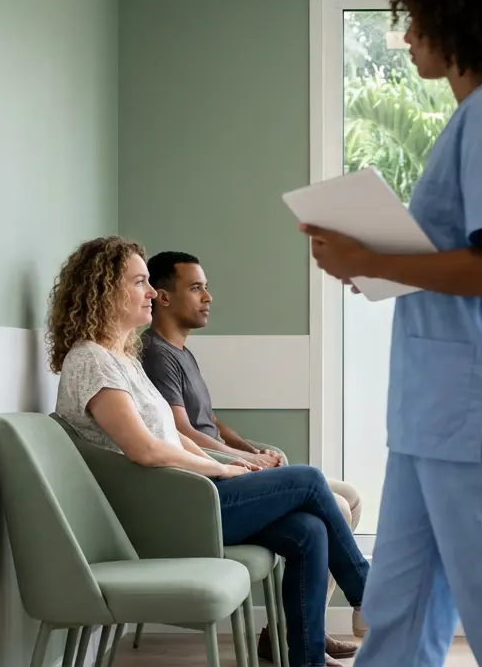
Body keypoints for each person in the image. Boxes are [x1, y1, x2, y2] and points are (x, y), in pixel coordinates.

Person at [299, 0, 482, 664]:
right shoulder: (473, 118)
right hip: (434, 416)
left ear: (461, 21)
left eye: (418, 18)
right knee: (399, 614)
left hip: (476, 412)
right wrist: (373, 262)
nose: (409, 33)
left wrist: (370, 259)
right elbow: (459, 261)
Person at [47, 236, 372, 667]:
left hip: (184, 498)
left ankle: (306, 660)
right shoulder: (91, 360)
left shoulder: (121, 358)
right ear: (105, 289)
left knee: (309, 531)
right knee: (310, 479)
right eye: (139, 282)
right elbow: (144, 450)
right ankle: (370, 597)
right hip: (165, 512)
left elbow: (174, 436)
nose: (150, 293)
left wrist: (229, 462)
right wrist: (219, 471)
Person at [140, 250, 367, 660]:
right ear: (163, 296)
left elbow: (207, 420)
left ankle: (302, 647)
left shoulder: (182, 352)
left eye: (206, 287)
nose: (208, 296)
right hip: (204, 487)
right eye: (196, 287)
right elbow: (182, 432)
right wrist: (238, 461)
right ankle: (364, 597)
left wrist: (250, 450)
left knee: (319, 523)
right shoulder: (155, 354)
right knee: (321, 489)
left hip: (221, 471)